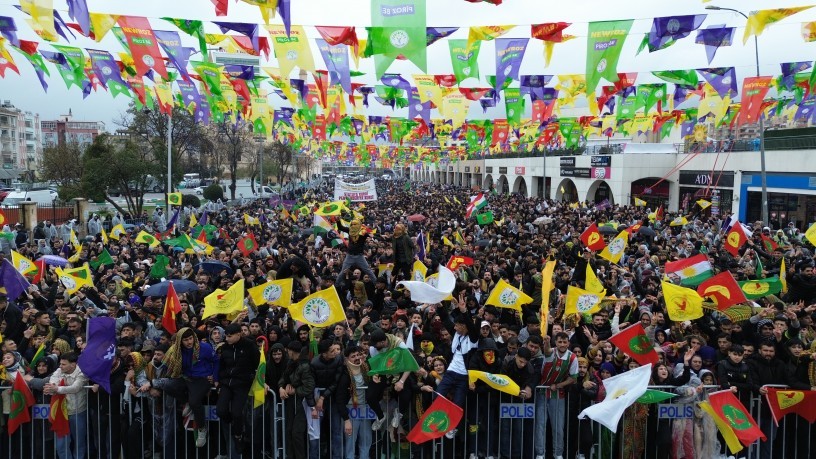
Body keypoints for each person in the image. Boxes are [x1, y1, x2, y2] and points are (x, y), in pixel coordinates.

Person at [153, 327, 218, 448]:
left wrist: (214, 377)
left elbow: (216, 361)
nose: (189, 342)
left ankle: (202, 428)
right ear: (180, 341)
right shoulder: (176, 350)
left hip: (203, 378)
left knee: (195, 402)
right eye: (185, 340)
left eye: (190, 338)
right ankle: (186, 401)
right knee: (168, 385)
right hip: (186, 377)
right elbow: (167, 366)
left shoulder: (205, 347)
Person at [433, 292, 480, 439]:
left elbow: (472, 327)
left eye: (458, 325)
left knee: (458, 404)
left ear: (464, 326)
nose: (454, 328)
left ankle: (453, 427)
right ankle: (442, 421)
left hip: (463, 377)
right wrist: (439, 305)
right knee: (437, 396)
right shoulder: (456, 335)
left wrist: (464, 311)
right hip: (450, 373)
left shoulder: (473, 338)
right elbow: (446, 319)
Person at [216, 323, 260, 453]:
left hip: (242, 384)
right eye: (226, 336)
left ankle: (238, 436)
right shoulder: (225, 347)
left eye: (230, 336)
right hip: (227, 383)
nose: (227, 339)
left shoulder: (249, 345)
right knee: (220, 411)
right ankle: (234, 424)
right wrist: (220, 381)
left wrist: (253, 377)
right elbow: (222, 366)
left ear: (238, 334)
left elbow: (258, 364)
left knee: (237, 413)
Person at [536, 332, 578, 459]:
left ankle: (558, 454)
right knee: (540, 425)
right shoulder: (550, 352)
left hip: (558, 394)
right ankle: (540, 454)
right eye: (560, 342)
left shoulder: (572, 358)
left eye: (565, 342)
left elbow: (573, 378)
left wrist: (559, 385)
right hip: (542, 393)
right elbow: (547, 351)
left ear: (568, 343)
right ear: (556, 342)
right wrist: (547, 342)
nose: (562, 344)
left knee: (558, 427)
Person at [44, 352, 89, 459]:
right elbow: (52, 382)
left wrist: (57, 389)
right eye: (60, 363)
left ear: (73, 365)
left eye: (63, 364)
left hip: (78, 411)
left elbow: (75, 388)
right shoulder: (59, 370)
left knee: (79, 442)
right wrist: (52, 388)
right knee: (61, 445)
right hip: (61, 412)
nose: (60, 366)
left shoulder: (82, 372)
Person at [335, 345, 373, 459]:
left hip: (365, 408)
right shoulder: (344, 374)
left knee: (366, 440)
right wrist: (346, 419)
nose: (357, 358)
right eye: (353, 356)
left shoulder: (366, 369)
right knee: (350, 442)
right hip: (351, 409)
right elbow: (340, 398)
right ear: (347, 359)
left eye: (358, 355)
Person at [279, 341, 315, 459]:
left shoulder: (305, 366)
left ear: (292, 351)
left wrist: (295, 390)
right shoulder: (290, 363)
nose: (287, 352)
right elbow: (284, 377)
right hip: (291, 402)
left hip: (302, 403)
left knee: (297, 433)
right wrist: (281, 388)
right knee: (289, 431)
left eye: (288, 350)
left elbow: (309, 386)